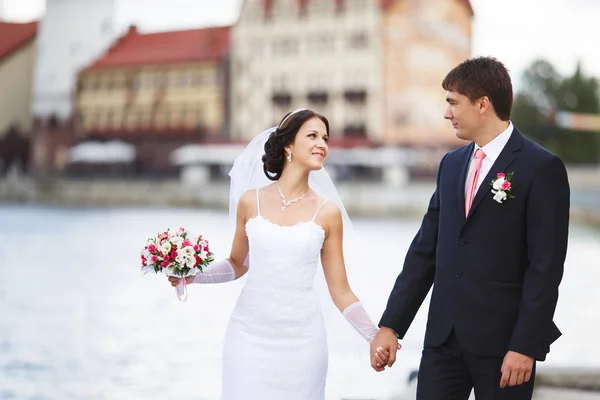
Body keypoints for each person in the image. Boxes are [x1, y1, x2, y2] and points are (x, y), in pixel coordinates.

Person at [370, 56, 570, 399]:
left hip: (506, 346)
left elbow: (545, 267)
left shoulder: (541, 167)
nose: (447, 113)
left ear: (482, 104)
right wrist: (391, 325)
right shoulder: (451, 165)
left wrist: (525, 345)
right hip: (443, 341)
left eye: (452, 103)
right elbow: (424, 251)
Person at [169, 109, 393, 400]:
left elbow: (341, 291)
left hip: (303, 342)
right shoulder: (251, 202)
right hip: (248, 336)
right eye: (312, 136)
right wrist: (193, 275)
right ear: (288, 145)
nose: (322, 144)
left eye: (325, 138)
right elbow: (237, 264)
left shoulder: (328, 213)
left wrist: (373, 336)